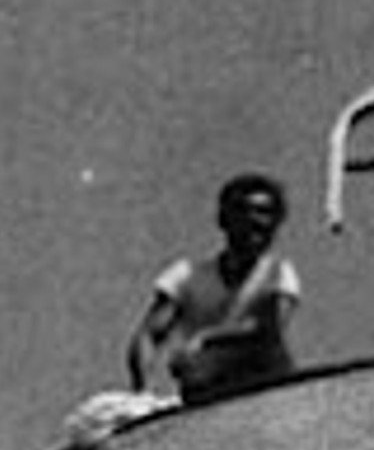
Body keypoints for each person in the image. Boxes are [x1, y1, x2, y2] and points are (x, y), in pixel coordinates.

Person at [126, 174, 300, 406]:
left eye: (265, 213)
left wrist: (207, 340)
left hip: (264, 389)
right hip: (206, 391)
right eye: (243, 211)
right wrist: (143, 393)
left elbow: (268, 329)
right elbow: (147, 336)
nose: (255, 221)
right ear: (223, 219)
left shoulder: (277, 273)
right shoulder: (186, 276)